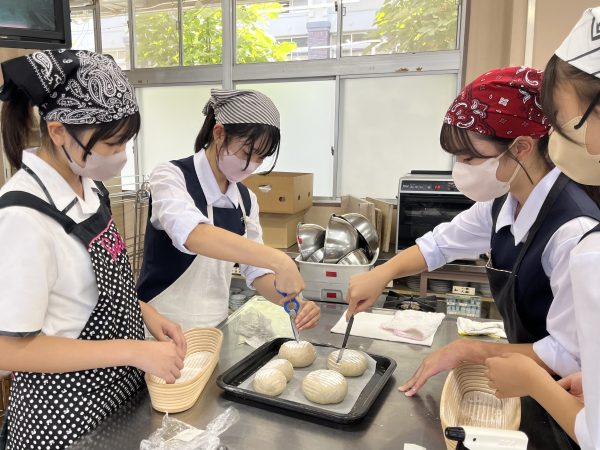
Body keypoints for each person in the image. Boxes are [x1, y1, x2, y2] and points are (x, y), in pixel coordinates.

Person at [345, 66, 600, 396]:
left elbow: (570, 355)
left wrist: (472, 350)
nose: (460, 169)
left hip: (565, 393)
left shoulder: (573, 233)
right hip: (521, 378)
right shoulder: (504, 201)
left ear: (521, 147)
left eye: (469, 158)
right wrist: (383, 273)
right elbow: (439, 245)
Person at [0, 50, 186, 450]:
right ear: (58, 131)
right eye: (111, 143)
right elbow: (7, 350)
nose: (121, 156)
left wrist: (147, 315)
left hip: (118, 399)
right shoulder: (22, 216)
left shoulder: (91, 188)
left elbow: (86, 295)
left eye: (126, 142)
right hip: (62, 421)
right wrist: (134, 351)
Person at [486, 8, 600, 449]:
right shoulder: (505, 203)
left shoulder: (583, 241)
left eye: (566, 119)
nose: (588, 143)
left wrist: (535, 381)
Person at [137, 89, 320, 331]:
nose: (253, 164)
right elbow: (194, 235)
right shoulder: (171, 176)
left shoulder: (246, 200)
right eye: (248, 152)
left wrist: (293, 301)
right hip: (159, 331)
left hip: (214, 331)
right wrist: (279, 260)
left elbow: (257, 273)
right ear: (219, 133)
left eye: (261, 157)